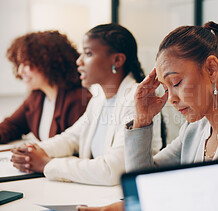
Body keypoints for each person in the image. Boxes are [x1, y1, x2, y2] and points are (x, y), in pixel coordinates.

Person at [78, 21, 218, 210]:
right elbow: (145, 181)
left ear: (211, 69)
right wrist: (142, 120)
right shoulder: (194, 132)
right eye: (166, 88)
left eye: (176, 83)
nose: (171, 99)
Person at [10, 23, 162, 186]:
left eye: (88, 53)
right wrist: (32, 151)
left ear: (117, 60)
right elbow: (71, 138)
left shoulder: (136, 101)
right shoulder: (99, 99)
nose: (79, 61)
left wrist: (46, 164)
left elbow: (111, 170)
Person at [0, 31, 91, 144]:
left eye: (26, 64)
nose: (20, 71)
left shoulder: (78, 100)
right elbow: (12, 125)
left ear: (48, 63)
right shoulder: (37, 96)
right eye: (19, 64)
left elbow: (76, 148)